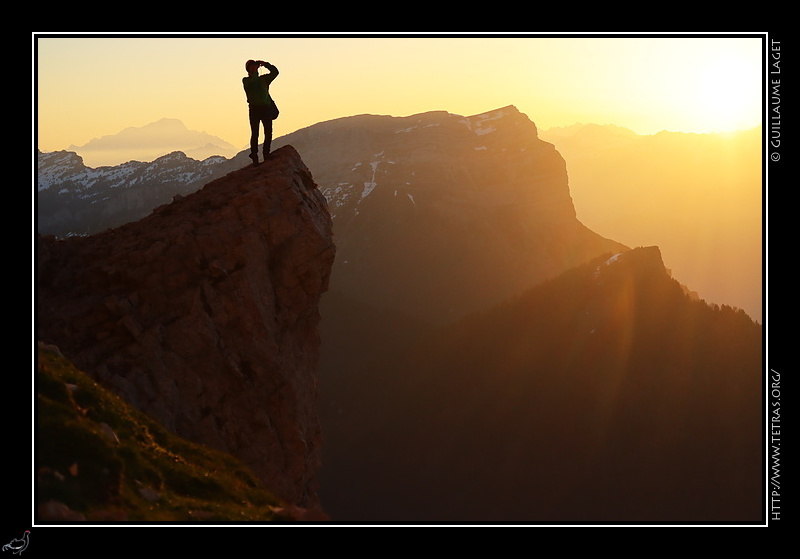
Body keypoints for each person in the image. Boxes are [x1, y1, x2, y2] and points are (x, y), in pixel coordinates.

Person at [242, 59, 280, 166]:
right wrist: (255, 72)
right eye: (252, 67)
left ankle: (266, 154)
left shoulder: (264, 79)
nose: (254, 68)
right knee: (255, 134)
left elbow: (276, 72)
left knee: (268, 132)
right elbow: (253, 82)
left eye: (255, 66)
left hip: (265, 108)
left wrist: (266, 64)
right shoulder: (246, 81)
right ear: (248, 69)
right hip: (254, 109)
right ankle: (255, 157)